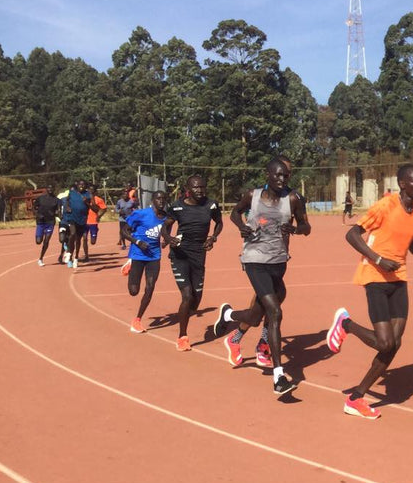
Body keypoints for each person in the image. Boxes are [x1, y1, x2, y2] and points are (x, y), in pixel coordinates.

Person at [326, 164, 413, 418]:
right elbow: (352, 234)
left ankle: (356, 398)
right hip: (375, 275)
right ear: (402, 183)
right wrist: (377, 259)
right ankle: (346, 324)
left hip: (399, 279)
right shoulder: (384, 206)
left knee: (393, 345)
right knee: (385, 341)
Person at [214, 158, 311, 396]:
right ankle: (279, 376)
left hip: (279, 261)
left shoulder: (294, 199)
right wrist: (241, 227)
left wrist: (296, 230)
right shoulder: (253, 195)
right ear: (267, 174)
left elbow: (306, 226)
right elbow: (235, 213)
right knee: (275, 311)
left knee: (257, 314)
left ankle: (228, 315)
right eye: (277, 175)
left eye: (285, 176)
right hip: (254, 259)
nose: (281, 179)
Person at [161, 175, 222, 352]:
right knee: (187, 295)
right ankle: (183, 336)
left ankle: (187, 313)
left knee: (195, 301)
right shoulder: (177, 206)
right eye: (196, 187)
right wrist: (168, 238)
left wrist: (213, 238)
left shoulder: (211, 205)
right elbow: (166, 226)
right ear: (188, 188)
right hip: (179, 254)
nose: (200, 191)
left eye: (202, 187)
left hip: (199, 254)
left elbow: (219, 223)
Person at [122, 190, 168, 333]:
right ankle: (129, 264)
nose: (161, 201)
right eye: (158, 199)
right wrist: (137, 241)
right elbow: (124, 231)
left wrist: (166, 241)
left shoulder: (166, 218)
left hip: (154, 256)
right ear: (153, 200)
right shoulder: (141, 214)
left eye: (163, 199)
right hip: (137, 254)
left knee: (150, 287)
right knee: (134, 291)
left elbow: (166, 234)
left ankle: (137, 320)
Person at [64, 180, 92, 268]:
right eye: (80, 184)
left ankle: (76, 257)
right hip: (72, 217)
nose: (81, 186)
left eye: (83, 184)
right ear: (77, 185)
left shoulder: (88, 194)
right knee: (72, 233)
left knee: (78, 239)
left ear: (85, 186)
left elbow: (90, 205)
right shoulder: (72, 193)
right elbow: (67, 201)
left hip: (82, 219)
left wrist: (86, 201)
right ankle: (69, 252)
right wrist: (67, 207)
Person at [33, 185, 61, 266]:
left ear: (54, 189)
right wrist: (37, 214)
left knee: (46, 240)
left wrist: (57, 214)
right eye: (48, 188)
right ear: (46, 189)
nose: (50, 189)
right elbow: (34, 207)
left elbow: (59, 211)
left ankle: (41, 258)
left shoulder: (56, 200)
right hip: (41, 222)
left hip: (50, 222)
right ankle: (41, 256)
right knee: (38, 241)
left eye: (52, 188)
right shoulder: (41, 198)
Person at [82, 185, 107, 263]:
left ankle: (96, 231)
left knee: (93, 242)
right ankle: (86, 255)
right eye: (89, 189)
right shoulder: (83, 198)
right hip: (84, 222)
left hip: (93, 222)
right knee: (84, 238)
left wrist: (99, 216)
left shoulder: (98, 200)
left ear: (95, 191)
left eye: (92, 190)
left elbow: (103, 209)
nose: (90, 191)